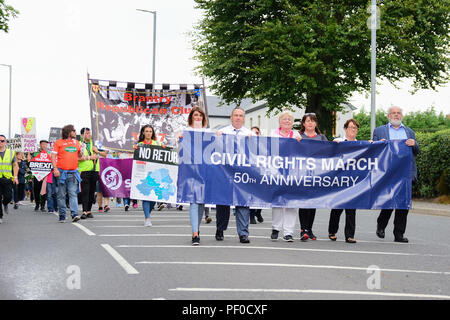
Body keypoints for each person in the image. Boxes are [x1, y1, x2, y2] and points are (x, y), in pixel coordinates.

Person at [373, 106, 419, 243]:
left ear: (402, 116)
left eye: (399, 113)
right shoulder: (380, 131)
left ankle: (399, 234)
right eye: (393, 113)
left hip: (405, 173)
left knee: (403, 205)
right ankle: (381, 224)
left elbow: (416, 151)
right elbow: (374, 151)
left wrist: (414, 144)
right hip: (388, 172)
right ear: (388, 116)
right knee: (388, 201)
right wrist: (377, 144)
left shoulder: (409, 132)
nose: (396, 115)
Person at [215, 107, 256, 243]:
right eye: (236, 115)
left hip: (243, 174)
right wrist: (217, 138)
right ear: (231, 117)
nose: (238, 117)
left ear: (244, 118)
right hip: (225, 172)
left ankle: (243, 233)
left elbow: (257, 154)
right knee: (223, 202)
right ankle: (220, 229)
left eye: (241, 115)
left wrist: (253, 141)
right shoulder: (222, 132)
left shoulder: (250, 134)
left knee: (243, 202)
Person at [178, 106, 209, 245]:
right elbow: (178, 150)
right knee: (193, 200)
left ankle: (197, 227)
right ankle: (195, 233)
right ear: (191, 117)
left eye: (200, 115)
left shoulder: (208, 132)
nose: (198, 118)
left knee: (201, 201)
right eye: (195, 115)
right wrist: (179, 139)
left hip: (204, 171)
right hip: (190, 171)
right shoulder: (185, 132)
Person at [270, 112, 302, 242]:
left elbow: (302, 152)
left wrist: (300, 143)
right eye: (284, 119)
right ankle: (276, 228)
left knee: (291, 203)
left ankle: (288, 232)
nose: (287, 121)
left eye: (289, 119)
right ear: (279, 121)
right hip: (276, 171)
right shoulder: (272, 134)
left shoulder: (296, 135)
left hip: (292, 173)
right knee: (277, 202)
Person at [328, 119, 360, 243]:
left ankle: (350, 235)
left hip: (353, 181)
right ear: (345, 129)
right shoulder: (338, 142)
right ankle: (332, 231)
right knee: (337, 208)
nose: (353, 130)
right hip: (339, 181)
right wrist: (332, 146)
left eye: (355, 128)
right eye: (351, 127)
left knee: (351, 209)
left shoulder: (361, 145)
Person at [298, 113, 328, 241]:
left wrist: (338, 142)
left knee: (313, 203)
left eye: (312, 121)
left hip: (317, 174)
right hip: (301, 174)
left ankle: (309, 229)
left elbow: (330, 153)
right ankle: (303, 229)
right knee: (303, 202)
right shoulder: (298, 137)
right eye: (307, 121)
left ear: (316, 124)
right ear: (303, 124)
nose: (310, 123)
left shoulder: (321, 138)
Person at [51, 125, 83, 223]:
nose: (75, 132)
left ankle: (74, 214)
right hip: (61, 173)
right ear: (69, 132)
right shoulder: (58, 142)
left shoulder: (77, 142)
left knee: (73, 194)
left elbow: (79, 156)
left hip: (73, 173)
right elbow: (53, 156)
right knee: (61, 195)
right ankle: (62, 215)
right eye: (74, 130)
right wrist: (55, 168)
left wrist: (81, 151)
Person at [134, 125, 159, 226]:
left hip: (154, 174)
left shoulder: (157, 144)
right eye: (147, 131)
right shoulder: (139, 145)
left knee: (153, 198)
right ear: (143, 133)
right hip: (143, 174)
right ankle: (147, 218)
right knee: (146, 197)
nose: (149, 133)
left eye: (150, 131)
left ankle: (148, 213)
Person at [78, 127, 105, 219]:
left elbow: (105, 154)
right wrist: (89, 157)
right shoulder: (79, 145)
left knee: (91, 192)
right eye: (86, 133)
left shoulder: (95, 144)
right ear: (82, 135)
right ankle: (84, 211)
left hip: (94, 170)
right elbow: (76, 158)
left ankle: (89, 210)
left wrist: (97, 151)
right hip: (84, 170)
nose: (89, 135)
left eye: (89, 133)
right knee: (85, 191)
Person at [0, 134, 19, 224]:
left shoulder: (11, 152)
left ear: (5, 142)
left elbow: (15, 166)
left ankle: (5, 203)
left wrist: (15, 177)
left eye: (2, 141)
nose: (0, 142)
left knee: (8, 197)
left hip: (7, 178)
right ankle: (0, 216)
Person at [28, 140, 50, 212]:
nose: (44, 146)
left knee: (44, 191)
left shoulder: (48, 153)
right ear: (40, 145)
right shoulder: (35, 153)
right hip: (36, 175)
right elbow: (30, 163)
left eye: (45, 144)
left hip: (45, 176)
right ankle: (37, 204)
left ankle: (43, 206)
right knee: (36, 190)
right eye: (43, 144)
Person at [249, 126, 264, 225]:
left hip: (261, 172)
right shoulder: (247, 145)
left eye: (257, 132)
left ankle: (258, 212)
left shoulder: (263, 145)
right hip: (251, 172)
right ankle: (251, 215)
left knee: (261, 195)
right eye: (253, 132)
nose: (255, 134)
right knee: (252, 195)